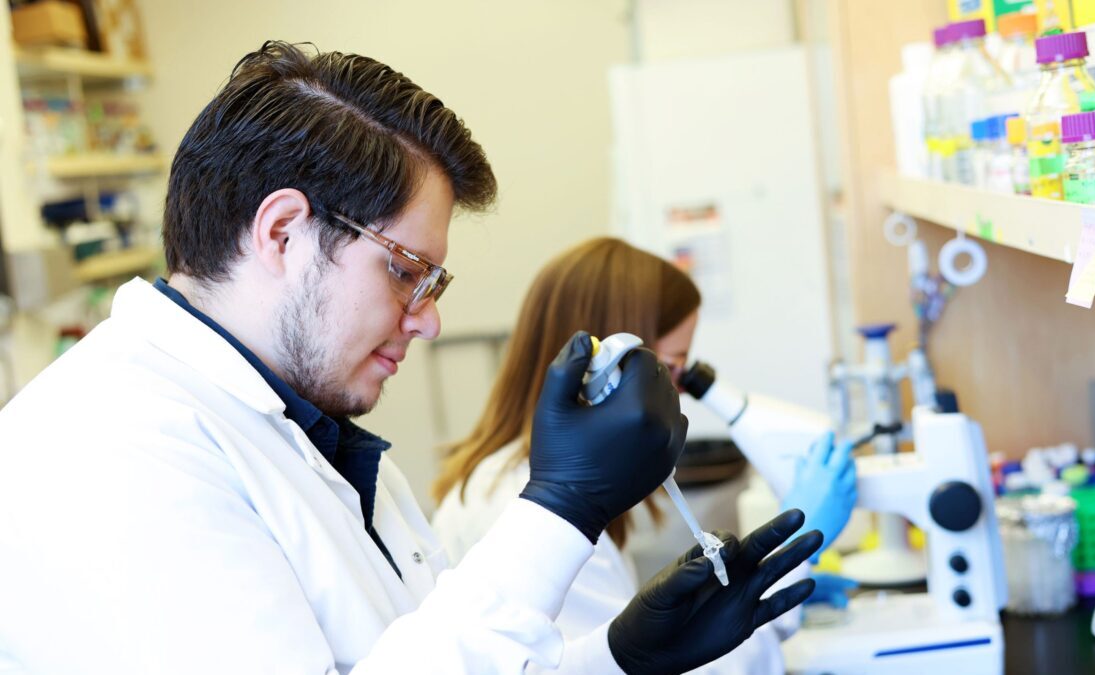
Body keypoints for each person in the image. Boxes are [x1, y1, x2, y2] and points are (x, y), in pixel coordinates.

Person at [0, 42, 825, 675]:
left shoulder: (318, 431)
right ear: (283, 231)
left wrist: (615, 657)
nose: (427, 322)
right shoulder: (103, 450)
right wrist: (558, 511)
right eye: (404, 271)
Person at [432, 237, 858, 674]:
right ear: (606, 369)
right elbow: (661, 667)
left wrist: (768, 594)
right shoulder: (535, 507)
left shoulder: (523, 477)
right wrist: (789, 561)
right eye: (670, 370)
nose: (675, 397)